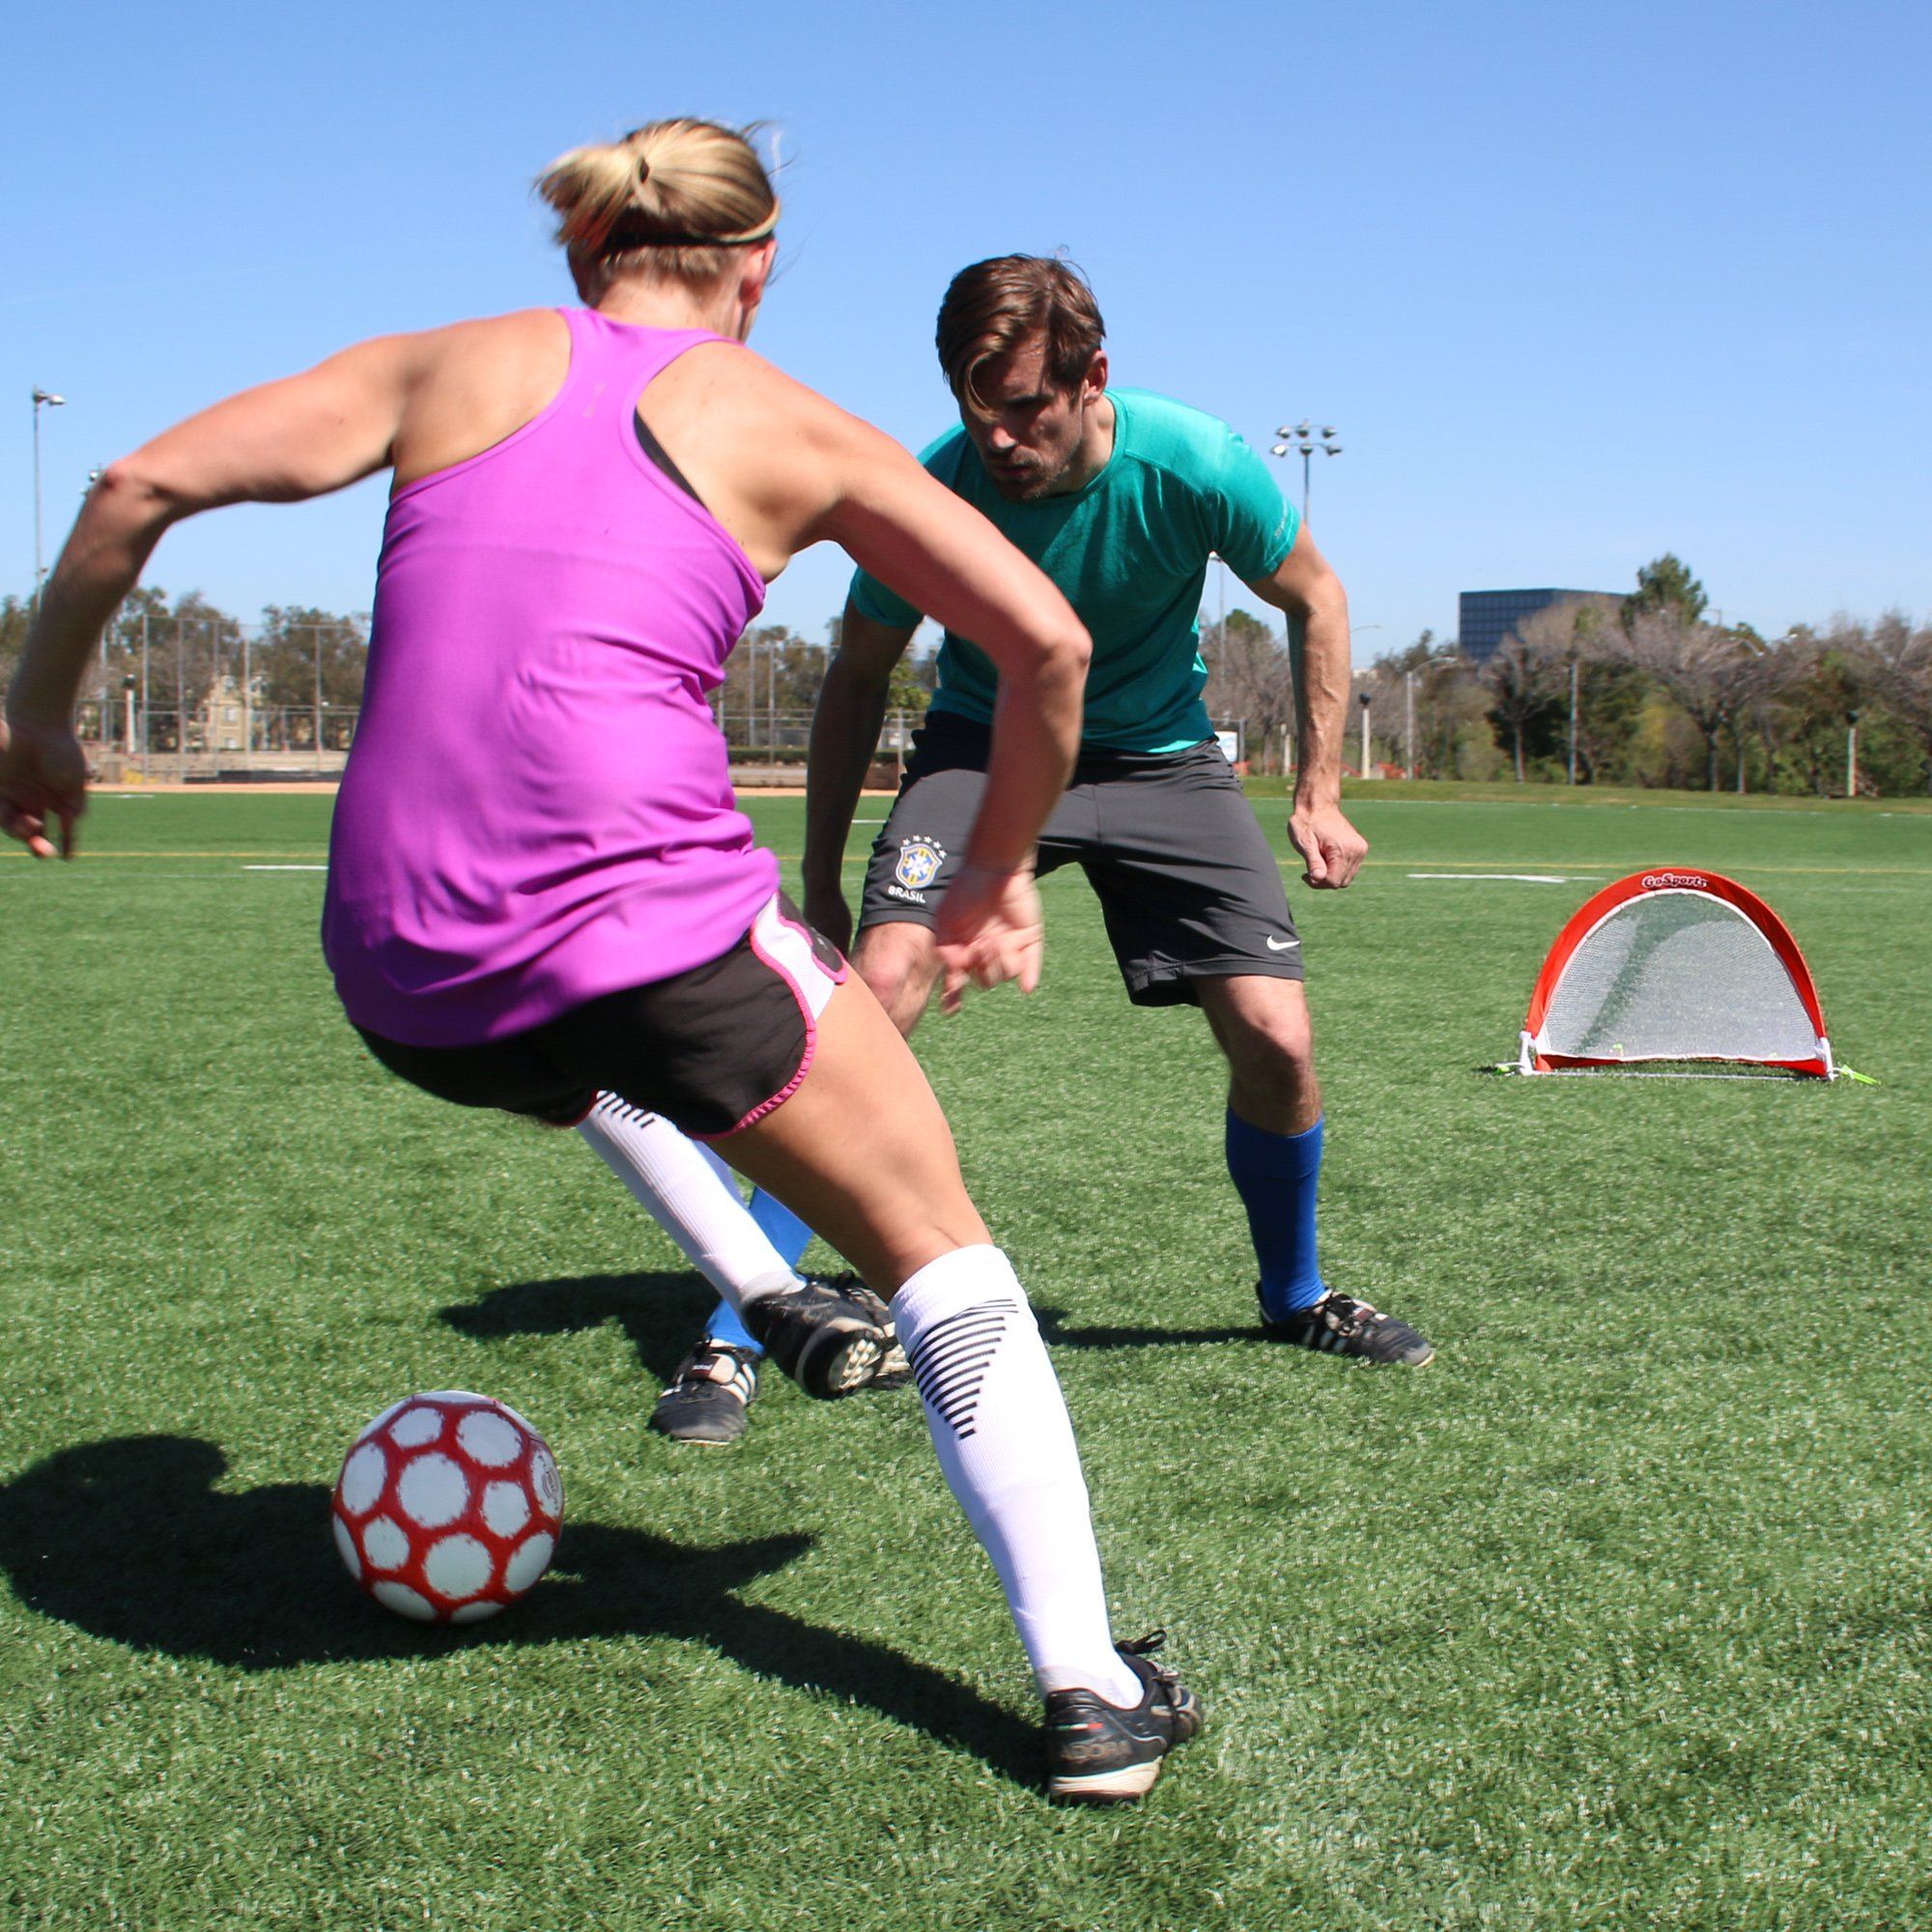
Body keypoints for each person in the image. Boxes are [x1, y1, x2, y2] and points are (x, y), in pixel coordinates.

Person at [0, 128, 1199, 1804]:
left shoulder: (440, 365)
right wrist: (997, 875)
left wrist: (40, 719)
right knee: (943, 1255)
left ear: (586, 256)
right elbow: (1049, 643)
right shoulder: (789, 424)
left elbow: (135, 486)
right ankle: (1091, 1688)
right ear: (756, 269)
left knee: (581, 1063)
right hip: (653, 931)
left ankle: (770, 1293)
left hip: (400, 972)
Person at [588, 253, 1435, 1447]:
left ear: (1093, 377)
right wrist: (825, 874)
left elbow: (1316, 592)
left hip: (1159, 760)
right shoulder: (933, 483)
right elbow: (855, 675)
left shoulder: (1190, 463)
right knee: (871, 993)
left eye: (1024, 406)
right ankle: (739, 1328)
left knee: (1276, 1035)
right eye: (975, 408)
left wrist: (1319, 786)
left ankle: (1294, 1294)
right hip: (982, 748)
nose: (997, 438)